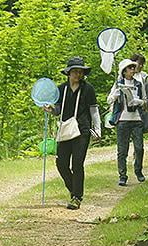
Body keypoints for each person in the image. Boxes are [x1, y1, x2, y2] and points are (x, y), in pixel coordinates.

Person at [44, 56, 101, 210]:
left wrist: (97, 129)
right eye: (75, 72)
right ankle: (73, 189)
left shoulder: (88, 89)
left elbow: (93, 110)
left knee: (77, 163)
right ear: (69, 73)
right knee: (61, 163)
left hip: (82, 130)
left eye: (80, 72)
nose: (78, 75)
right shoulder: (61, 89)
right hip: (65, 129)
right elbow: (58, 109)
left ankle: (77, 197)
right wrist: (51, 110)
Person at [107, 59, 146, 186]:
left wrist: (138, 102)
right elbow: (109, 100)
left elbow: (145, 101)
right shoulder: (118, 84)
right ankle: (122, 175)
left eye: (133, 68)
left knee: (139, 148)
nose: (132, 70)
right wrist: (115, 96)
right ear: (124, 71)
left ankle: (138, 171)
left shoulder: (139, 84)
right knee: (122, 150)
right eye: (130, 68)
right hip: (122, 120)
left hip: (137, 120)